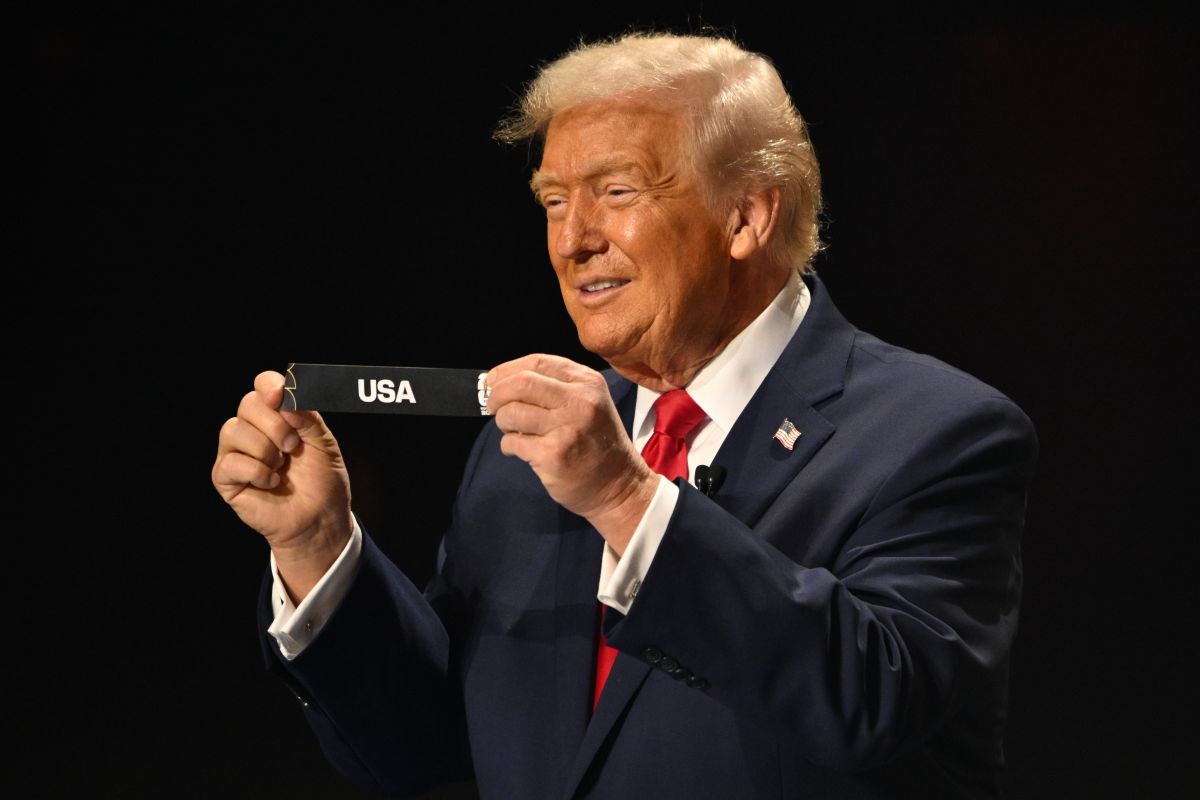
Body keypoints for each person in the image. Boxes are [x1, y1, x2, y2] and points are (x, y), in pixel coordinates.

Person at [212, 32, 1037, 799]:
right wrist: (317, 545)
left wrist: (625, 501)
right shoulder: (520, 457)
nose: (573, 241)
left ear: (747, 216)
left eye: (615, 191)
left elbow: (874, 704)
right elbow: (426, 750)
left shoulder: (938, 435)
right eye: (553, 201)